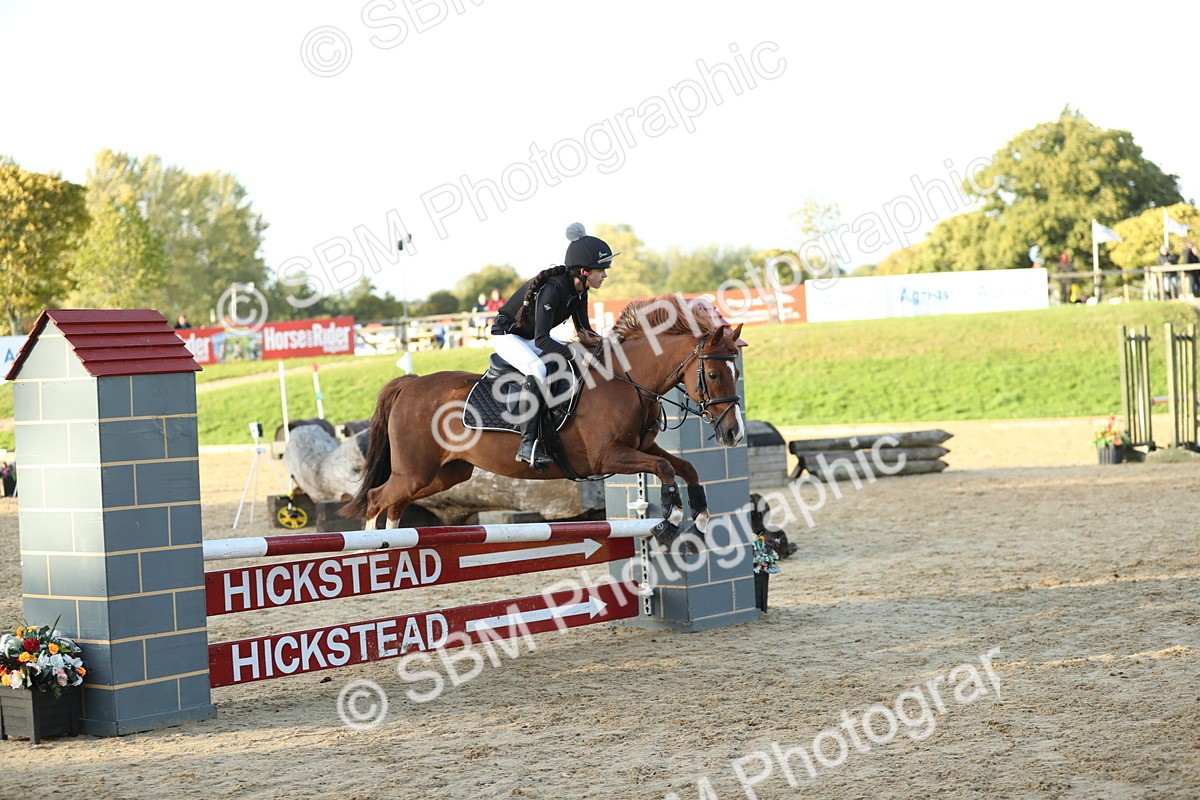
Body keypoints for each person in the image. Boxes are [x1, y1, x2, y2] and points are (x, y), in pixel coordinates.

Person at [489, 222, 614, 468]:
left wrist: (610, 346)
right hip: (508, 336)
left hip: (531, 337)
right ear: (585, 271)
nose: (606, 274)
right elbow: (542, 340)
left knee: (577, 352)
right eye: (602, 269)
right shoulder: (553, 289)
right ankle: (527, 444)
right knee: (539, 369)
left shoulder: (580, 291)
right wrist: (576, 356)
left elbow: (585, 332)